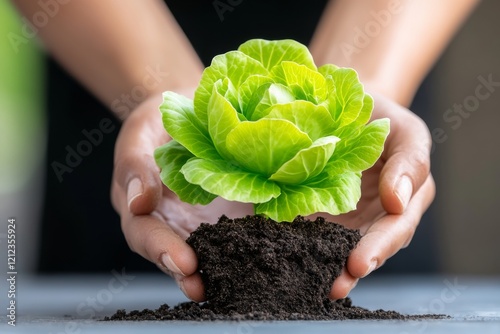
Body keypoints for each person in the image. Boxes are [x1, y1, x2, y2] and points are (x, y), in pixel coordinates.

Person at [12, 0, 479, 302]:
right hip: (107, 87)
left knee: (360, 277)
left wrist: (368, 84)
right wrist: (168, 96)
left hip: (366, 176)